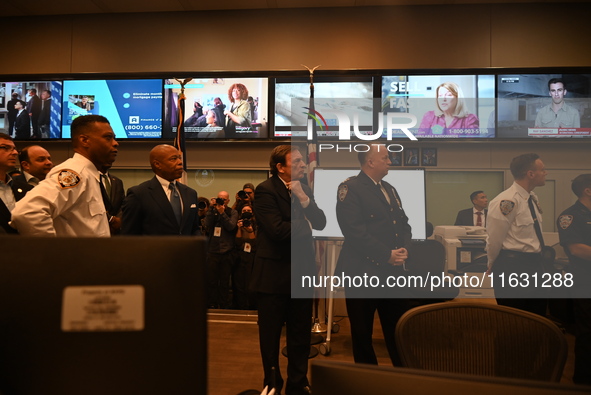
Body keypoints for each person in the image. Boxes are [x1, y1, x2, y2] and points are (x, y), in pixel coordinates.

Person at [250, 145, 326, 395]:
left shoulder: (305, 189)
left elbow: (322, 223)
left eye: (304, 161)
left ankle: (298, 382)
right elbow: (277, 231)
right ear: (280, 167)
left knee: (300, 335)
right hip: (273, 276)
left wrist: (304, 200)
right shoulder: (265, 190)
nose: (303, 165)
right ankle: (272, 383)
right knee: (270, 338)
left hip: (301, 273)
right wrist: (306, 224)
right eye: (297, 162)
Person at [335, 143, 412, 366]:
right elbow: (353, 231)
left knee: (397, 329)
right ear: (370, 162)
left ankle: (404, 376)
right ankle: (367, 380)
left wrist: (405, 248)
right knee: (362, 334)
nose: (390, 162)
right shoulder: (350, 188)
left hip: (392, 272)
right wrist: (385, 254)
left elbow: (403, 224)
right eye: (386, 158)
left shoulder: (389, 188)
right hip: (362, 271)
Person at [10, 115, 118, 237]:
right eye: (108, 138)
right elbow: (28, 212)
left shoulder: (90, 175)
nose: (115, 143)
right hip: (76, 256)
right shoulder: (74, 173)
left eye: (114, 138)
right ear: (84, 141)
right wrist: (55, 251)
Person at [486, 153, 547, 316]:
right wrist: (491, 262)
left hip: (535, 264)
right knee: (513, 320)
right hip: (513, 266)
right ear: (531, 174)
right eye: (543, 170)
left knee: (537, 318)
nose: (545, 173)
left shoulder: (531, 198)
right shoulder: (506, 201)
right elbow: (494, 238)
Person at [121, 144, 200, 236]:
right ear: (157, 164)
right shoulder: (139, 194)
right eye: (173, 159)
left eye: (179, 158)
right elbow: (129, 234)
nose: (180, 162)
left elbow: (194, 228)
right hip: (154, 250)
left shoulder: (190, 193)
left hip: (186, 250)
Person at [557, 174, 591, 386]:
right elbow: (576, 249)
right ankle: (583, 381)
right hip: (585, 280)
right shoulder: (570, 216)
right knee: (588, 333)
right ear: (588, 190)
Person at [205, 190, 238, 309]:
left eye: (224, 199)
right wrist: (211, 208)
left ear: (228, 201)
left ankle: (223, 304)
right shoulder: (213, 211)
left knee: (224, 282)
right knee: (211, 281)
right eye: (219, 198)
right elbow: (207, 224)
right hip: (213, 251)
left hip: (227, 251)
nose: (221, 201)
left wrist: (222, 213)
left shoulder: (232, 212)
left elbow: (231, 226)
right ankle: (211, 303)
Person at [0, 133, 33, 233]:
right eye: (5, 148)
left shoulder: (28, 189)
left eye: (14, 149)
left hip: (24, 246)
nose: (15, 153)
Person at [233, 203, 257, 310]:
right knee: (239, 283)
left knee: (250, 283)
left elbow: (255, 244)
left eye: (248, 211)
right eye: (244, 211)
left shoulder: (256, 224)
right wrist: (239, 229)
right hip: (240, 256)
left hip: (252, 257)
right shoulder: (238, 224)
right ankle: (240, 305)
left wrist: (250, 230)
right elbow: (237, 243)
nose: (246, 213)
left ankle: (251, 305)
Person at [99, 163, 125, 235]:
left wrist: (119, 220)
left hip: (116, 231)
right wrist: (111, 219)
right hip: (98, 227)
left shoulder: (117, 181)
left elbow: (123, 203)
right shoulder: (91, 179)